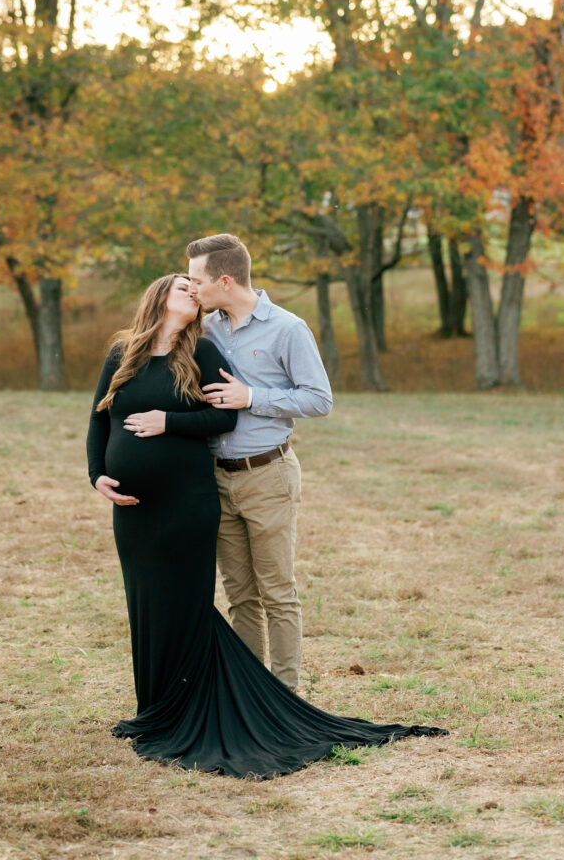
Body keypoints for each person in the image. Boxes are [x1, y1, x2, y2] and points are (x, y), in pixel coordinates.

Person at [86, 272, 447, 779]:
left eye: (197, 285)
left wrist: (167, 423)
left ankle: (264, 698)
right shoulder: (124, 351)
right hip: (135, 506)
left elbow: (224, 417)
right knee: (150, 599)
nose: (193, 292)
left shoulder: (204, 349)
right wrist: (97, 474)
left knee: (211, 598)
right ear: (157, 296)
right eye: (182, 287)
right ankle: (156, 709)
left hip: (193, 498)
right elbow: (99, 417)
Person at [186, 233, 330, 691]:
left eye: (196, 280)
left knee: (278, 594)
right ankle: (251, 698)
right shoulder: (205, 328)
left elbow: (319, 400)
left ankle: (286, 698)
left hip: (268, 475)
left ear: (224, 280)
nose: (191, 289)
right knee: (240, 596)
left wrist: (252, 397)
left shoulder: (288, 329)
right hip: (217, 479)